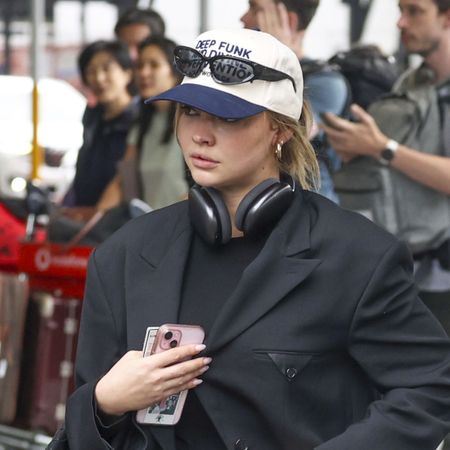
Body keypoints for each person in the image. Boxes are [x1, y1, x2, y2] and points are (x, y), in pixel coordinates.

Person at [57, 29, 450, 450]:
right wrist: (104, 405)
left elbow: (431, 386)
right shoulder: (123, 255)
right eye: (190, 111)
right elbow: (79, 434)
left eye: (228, 117)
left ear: (281, 129)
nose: (200, 135)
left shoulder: (358, 257)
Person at [321, 0, 450, 334]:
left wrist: (383, 148)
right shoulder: (412, 83)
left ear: (447, 17)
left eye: (415, 11)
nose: (401, 23)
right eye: (400, 11)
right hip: (401, 272)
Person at [241, 0, 349, 203]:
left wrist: (280, 60)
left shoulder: (326, 82)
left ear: (288, 20)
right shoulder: (249, 74)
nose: (243, 18)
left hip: (309, 209)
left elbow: (298, 130)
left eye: (255, 9)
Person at [97, 36, 188, 211]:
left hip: (183, 225)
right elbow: (125, 180)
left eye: (154, 65)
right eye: (139, 66)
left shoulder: (191, 119)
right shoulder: (141, 126)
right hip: (151, 228)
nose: (144, 73)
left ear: (174, 71)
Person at [64, 40, 137, 207]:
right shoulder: (92, 116)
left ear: (127, 73)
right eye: (90, 71)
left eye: (106, 69)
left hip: (119, 216)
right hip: (86, 212)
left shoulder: (138, 120)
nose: (98, 78)